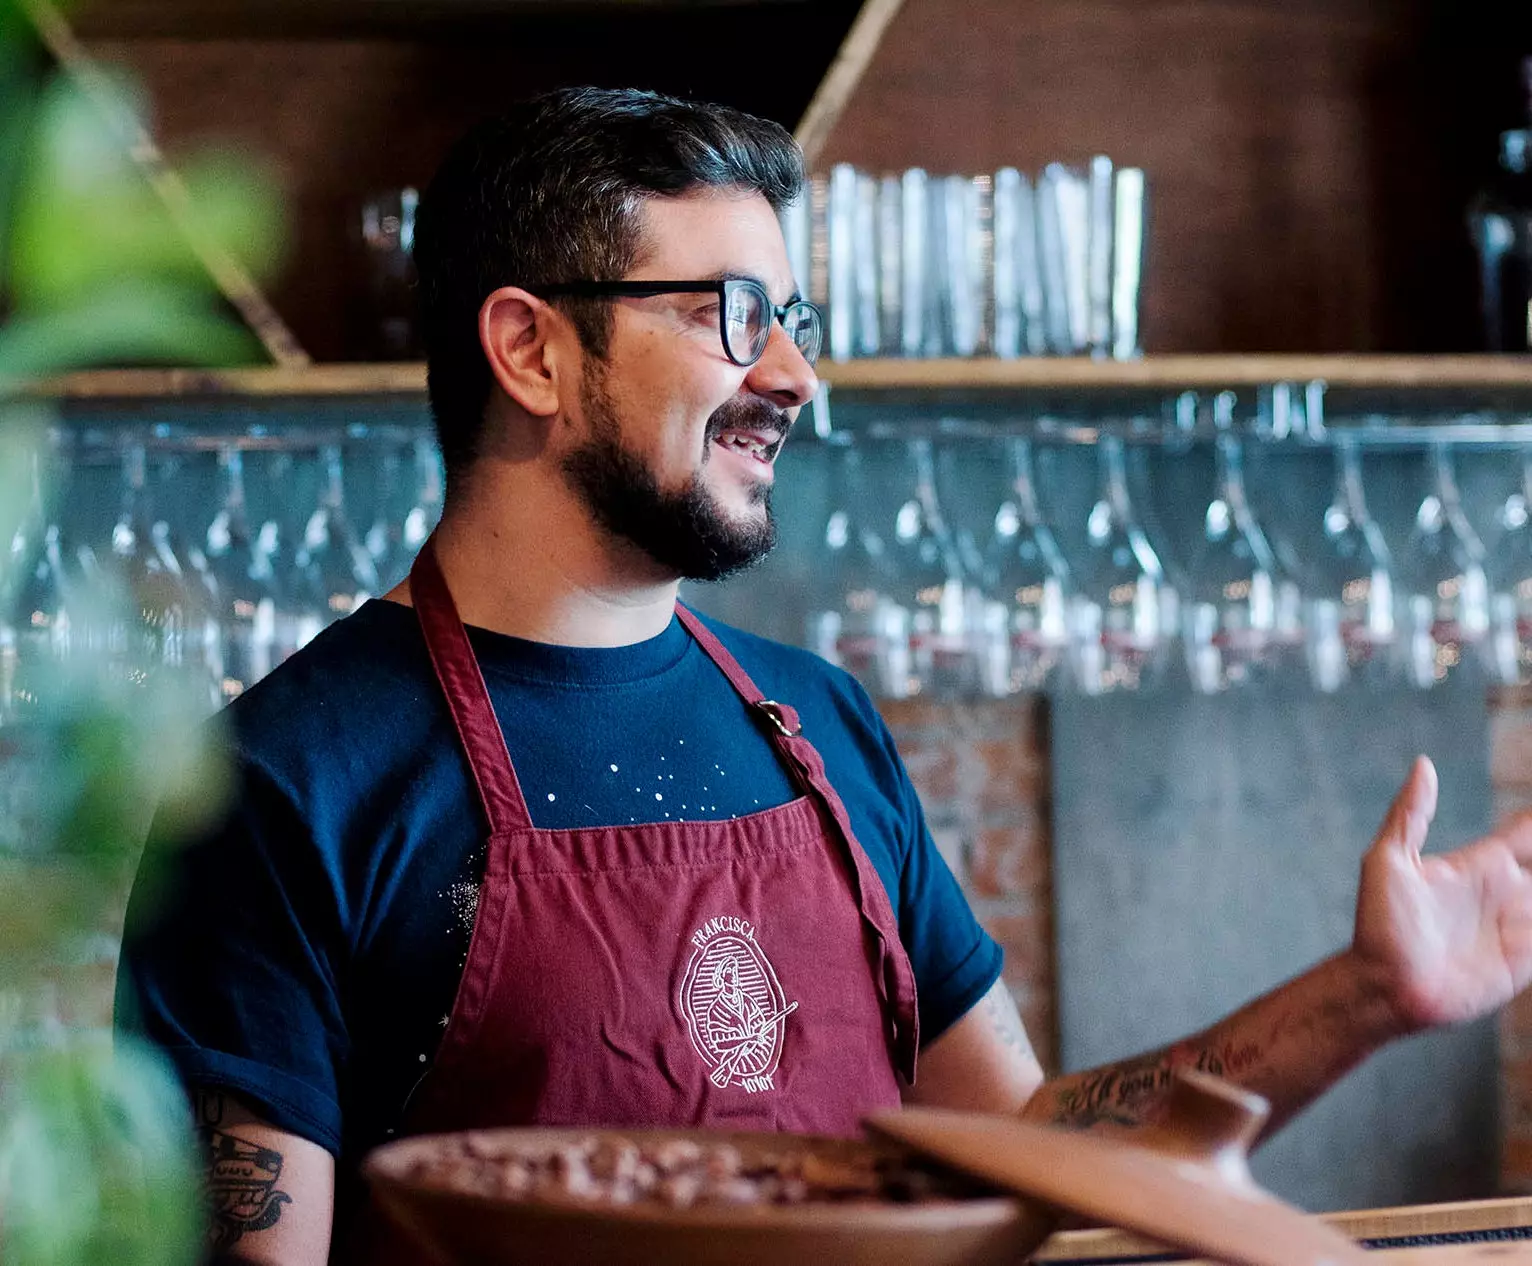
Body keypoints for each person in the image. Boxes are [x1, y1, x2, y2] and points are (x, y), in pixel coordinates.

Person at [116, 85, 1532, 1266]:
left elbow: (1024, 1149)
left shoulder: (822, 723)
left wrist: (1371, 991)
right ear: (530, 349)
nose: (794, 374)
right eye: (732, 309)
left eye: (798, 317)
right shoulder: (284, 782)